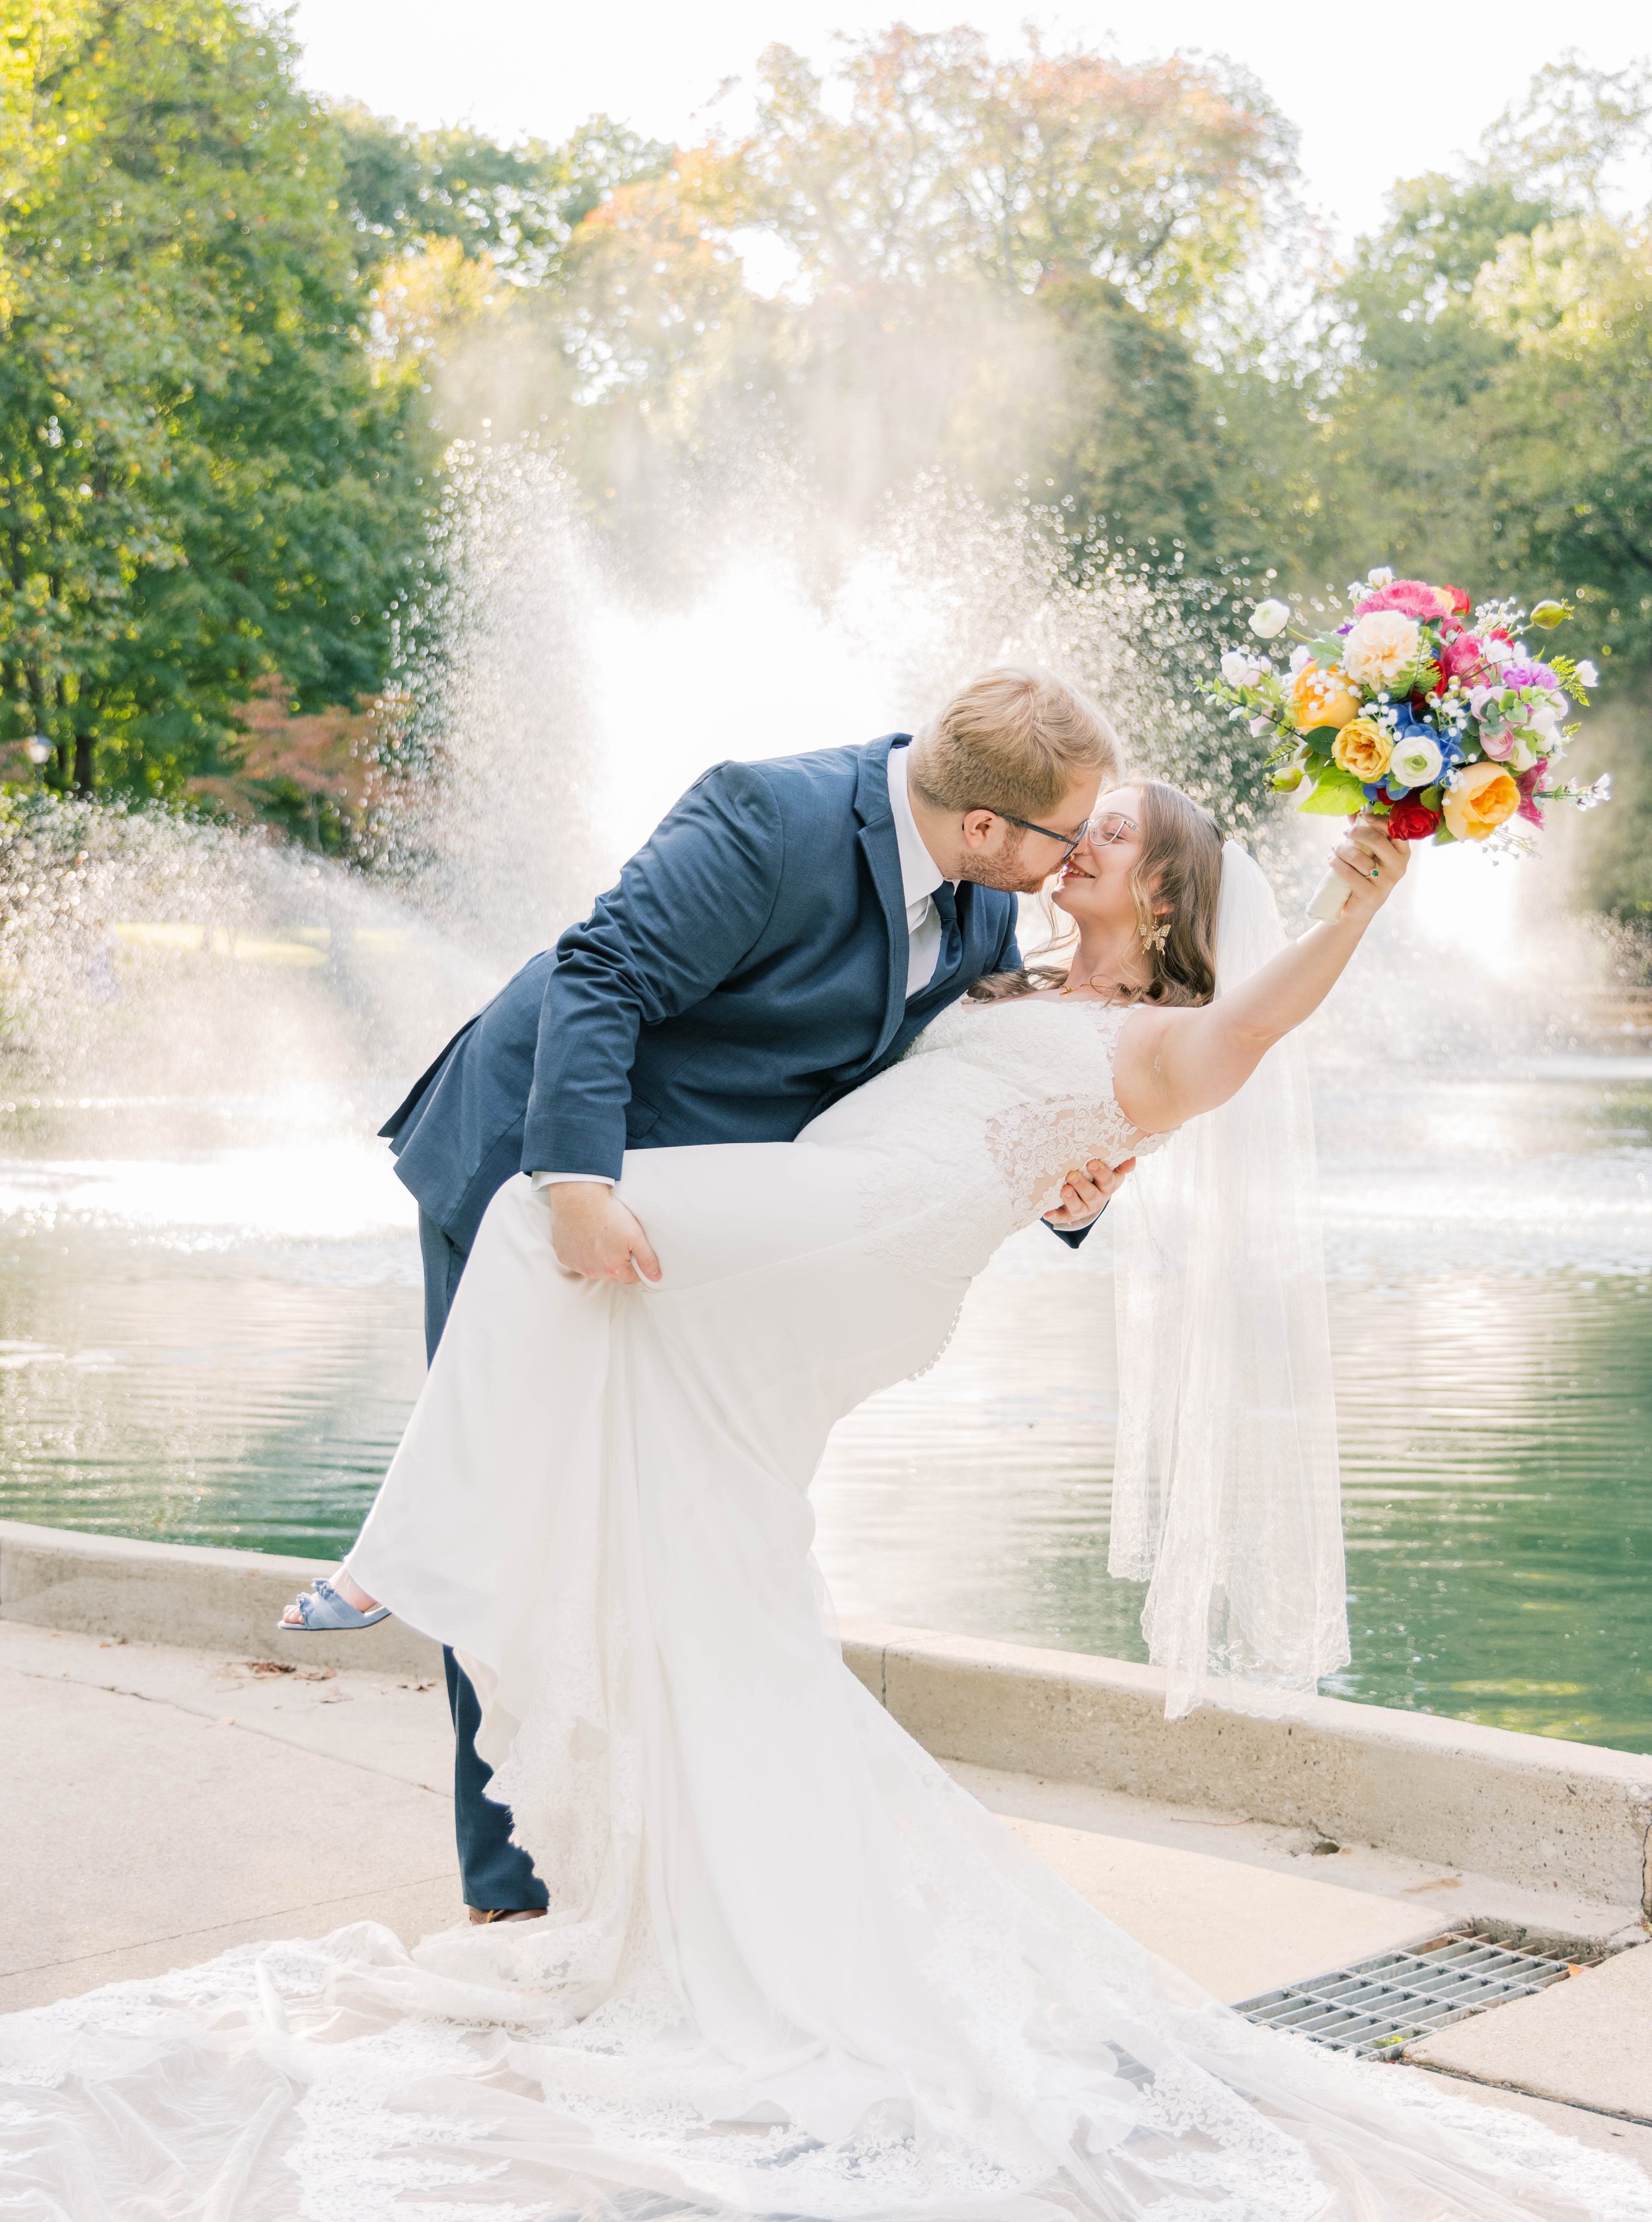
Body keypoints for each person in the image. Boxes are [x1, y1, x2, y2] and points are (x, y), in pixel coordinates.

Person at [11, 780, 1645, 2219]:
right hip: (832, 1218)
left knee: (538, 1228)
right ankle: (670, 1875)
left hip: (860, 1234)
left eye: (1121, 835)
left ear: (1164, 898)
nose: (1085, 840)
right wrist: (1061, 1166)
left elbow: (1249, 1030)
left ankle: (404, 1559)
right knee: (700, 1535)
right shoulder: (995, 956)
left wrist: (1355, 902)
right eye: (1085, 820)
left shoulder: (1162, 1042)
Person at [283, 668, 1135, 1925]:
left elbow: (960, 1098)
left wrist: (1069, 1194)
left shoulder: (983, 905)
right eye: (1066, 836)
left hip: (692, 1223)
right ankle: (517, 1882)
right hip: (534, 1159)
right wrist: (575, 1184)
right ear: (986, 827)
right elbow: (600, 971)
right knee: (524, 1499)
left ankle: (635, 1832)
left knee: (638, 1519)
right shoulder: (766, 818)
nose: (1071, 864)